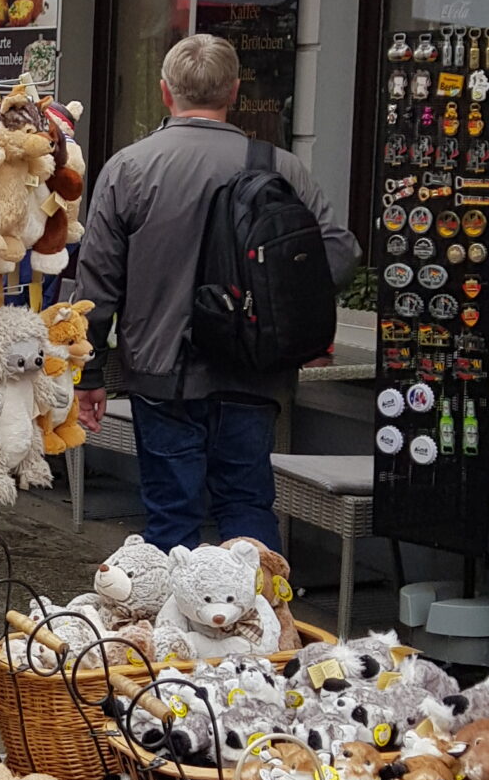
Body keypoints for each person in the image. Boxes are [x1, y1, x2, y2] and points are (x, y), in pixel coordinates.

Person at [73, 33, 357, 552]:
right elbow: (339, 254)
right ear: (234, 91)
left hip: (162, 372)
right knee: (248, 509)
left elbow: (97, 282)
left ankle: (171, 630)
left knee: (170, 519)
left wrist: (88, 374)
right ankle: (263, 627)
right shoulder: (280, 167)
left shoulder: (130, 168)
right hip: (255, 370)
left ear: (165, 92)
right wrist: (286, 310)